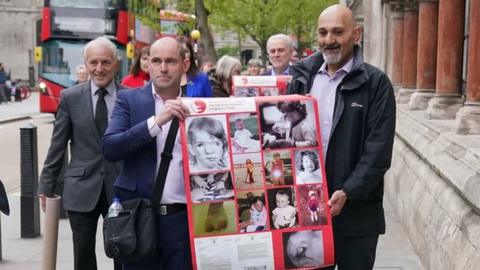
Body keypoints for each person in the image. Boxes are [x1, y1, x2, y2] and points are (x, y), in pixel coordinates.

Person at [287, 4, 396, 270]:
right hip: (307, 211)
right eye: (323, 32)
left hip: (356, 214)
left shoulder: (376, 84)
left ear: (355, 34)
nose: (329, 40)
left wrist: (348, 191)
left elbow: (378, 152)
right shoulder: (302, 78)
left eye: (338, 32)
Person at [102, 37, 207, 270]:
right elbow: (110, 148)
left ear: (184, 64)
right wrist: (156, 122)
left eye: (170, 61)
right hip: (139, 216)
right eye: (156, 61)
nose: (163, 67)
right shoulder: (128, 99)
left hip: (183, 220)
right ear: (147, 65)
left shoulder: (201, 105)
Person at [38, 36, 123, 270]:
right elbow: (57, 145)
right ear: (85, 65)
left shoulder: (130, 96)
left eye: (105, 62)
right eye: (93, 63)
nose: (99, 68)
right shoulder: (70, 97)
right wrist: (46, 185)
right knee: (83, 254)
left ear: (116, 64)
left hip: (120, 188)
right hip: (81, 188)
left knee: (123, 251)